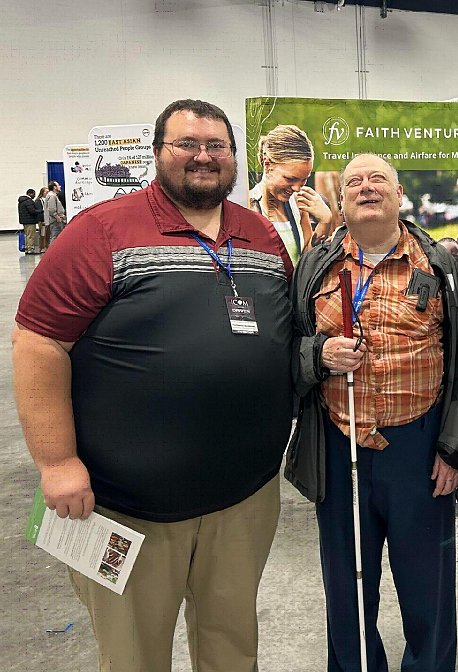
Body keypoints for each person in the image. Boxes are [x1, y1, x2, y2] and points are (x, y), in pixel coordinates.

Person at [12, 99, 294, 672]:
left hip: (245, 497)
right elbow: (39, 343)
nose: (202, 157)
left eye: (216, 146)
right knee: (135, 656)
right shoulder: (102, 231)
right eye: (186, 144)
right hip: (127, 507)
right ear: (158, 153)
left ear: (235, 158)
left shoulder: (260, 234)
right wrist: (57, 461)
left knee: (232, 645)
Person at [286, 153, 458, 672]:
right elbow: (285, 347)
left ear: (399, 196)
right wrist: (318, 355)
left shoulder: (440, 265)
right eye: (355, 182)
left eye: (378, 180)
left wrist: (454, 447)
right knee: (347, 582)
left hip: (420, 450)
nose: (366, 188)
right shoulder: (316, 264)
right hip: (338, 444)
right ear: (341, 199)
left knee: (428, 584)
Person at [248, 123, 334, 265]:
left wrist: (325, 221)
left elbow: (306, 262)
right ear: (267, 165)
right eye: (290, 179)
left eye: (303, 180)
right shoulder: (249, 206)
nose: (296, 188)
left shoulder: (298, 207)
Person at [18, 188, 38, 254]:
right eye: (34, 194)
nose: (34, 196)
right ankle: (30, 249)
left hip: (24, 221)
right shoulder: (29, 201)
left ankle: (27, 248)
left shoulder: (22, 201)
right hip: (30, 221)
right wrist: (40, 211)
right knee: (31, 235)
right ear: (30, 193)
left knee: (27, 235)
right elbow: (32, 211)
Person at [34, 187, 49, 252]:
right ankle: (42, 247)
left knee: (47, 234)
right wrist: (43, 220)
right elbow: (40, 211)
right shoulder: (38, 200)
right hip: (42, 220)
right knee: (42, 234)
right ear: (42, 193)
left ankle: (47, 246)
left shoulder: (48, 199)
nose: (47, 193)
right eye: (46, 192)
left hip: (48, 219)